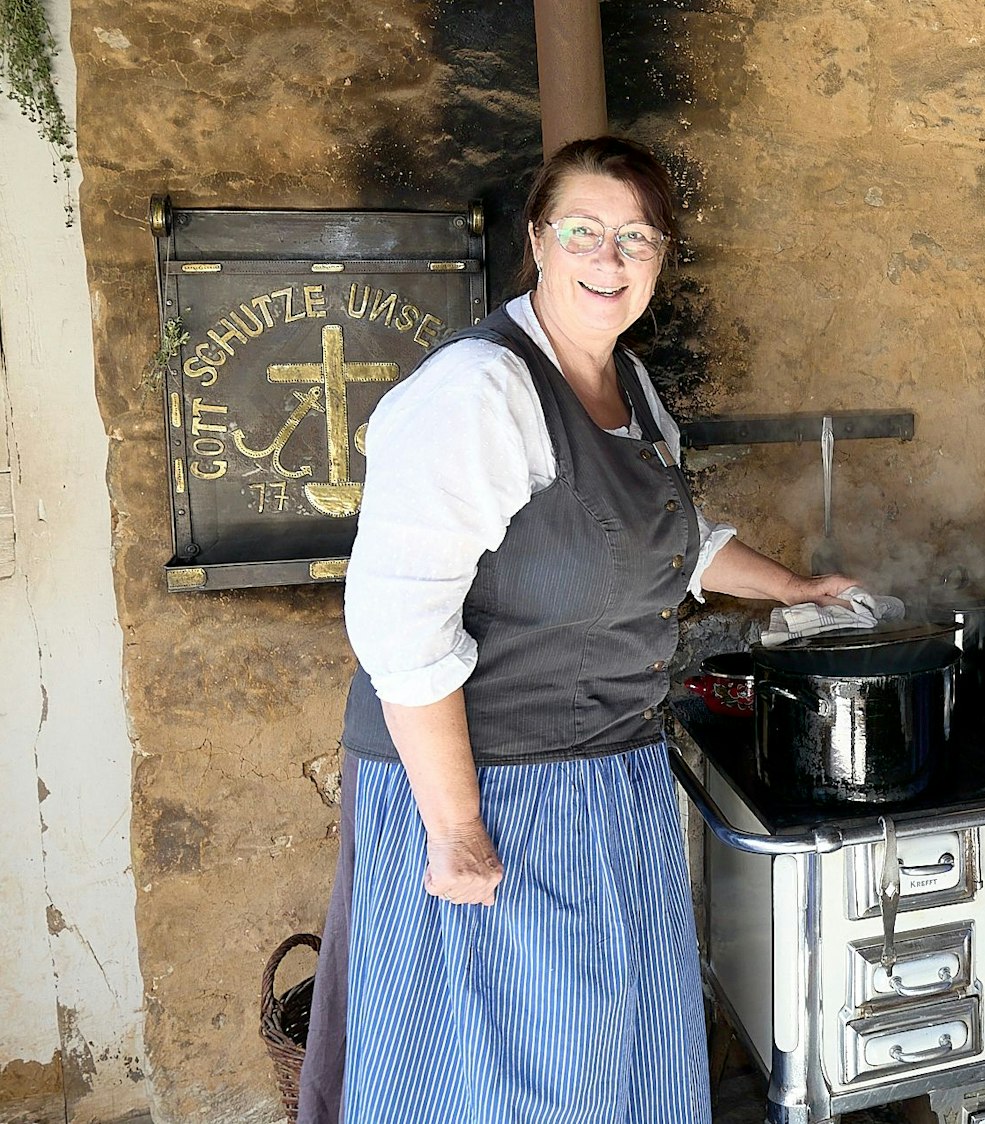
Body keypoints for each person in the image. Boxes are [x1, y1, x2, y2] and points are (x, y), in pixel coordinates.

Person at [295, 135, 855, 1124]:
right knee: (504, 1075)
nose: (611, 259)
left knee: (615, 1053)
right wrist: (457, 828)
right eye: (585, 232)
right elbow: (397, 624)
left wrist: (794, 586)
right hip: (494, 785)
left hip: (611, 778)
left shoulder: (630, 387)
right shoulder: (479, 391)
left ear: (662, 256)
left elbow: (672, 540)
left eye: (636, 237)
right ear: (539, 240)